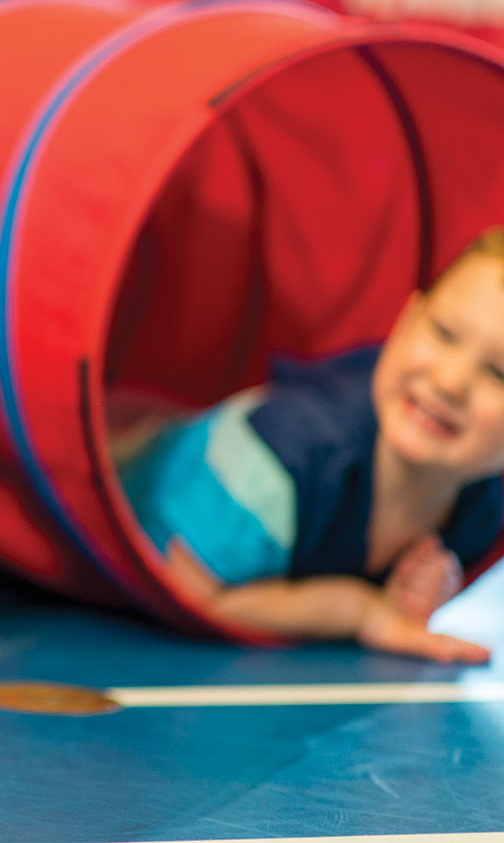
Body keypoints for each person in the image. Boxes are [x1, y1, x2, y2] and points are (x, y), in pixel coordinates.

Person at [112, 228, 504, 664]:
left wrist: (409, 596)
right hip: (121, 474)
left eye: (499, 375)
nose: (449, 382)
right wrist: (359, 611)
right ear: (406, 321)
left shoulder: (481, 507)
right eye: (445, 333)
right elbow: (193, 592)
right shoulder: (278, 467)